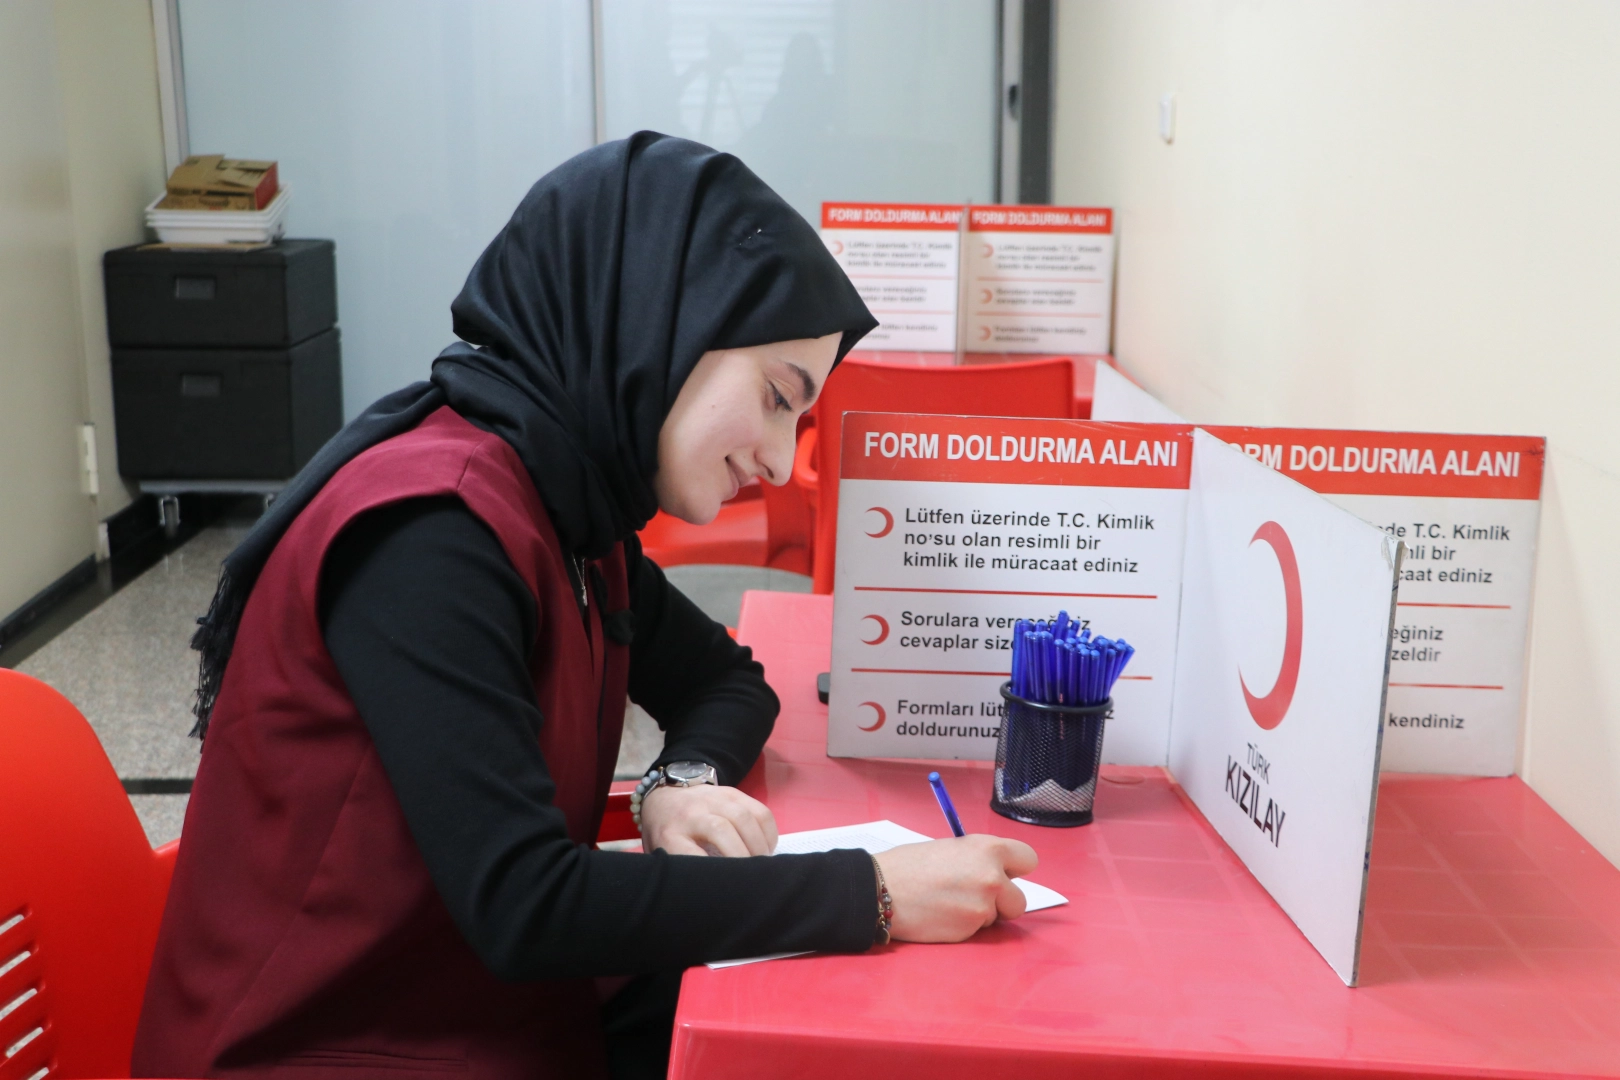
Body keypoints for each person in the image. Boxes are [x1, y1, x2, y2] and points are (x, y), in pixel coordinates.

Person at [131, 132, 1037, 1080]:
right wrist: (872, 893)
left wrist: (676, 784)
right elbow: (525, 905)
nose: (779, 461)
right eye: (778, 398)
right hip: (325, 1047)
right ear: (658, 325)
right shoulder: (435, 532)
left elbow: (727, 680)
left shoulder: (571, 505)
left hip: (471, 1009)